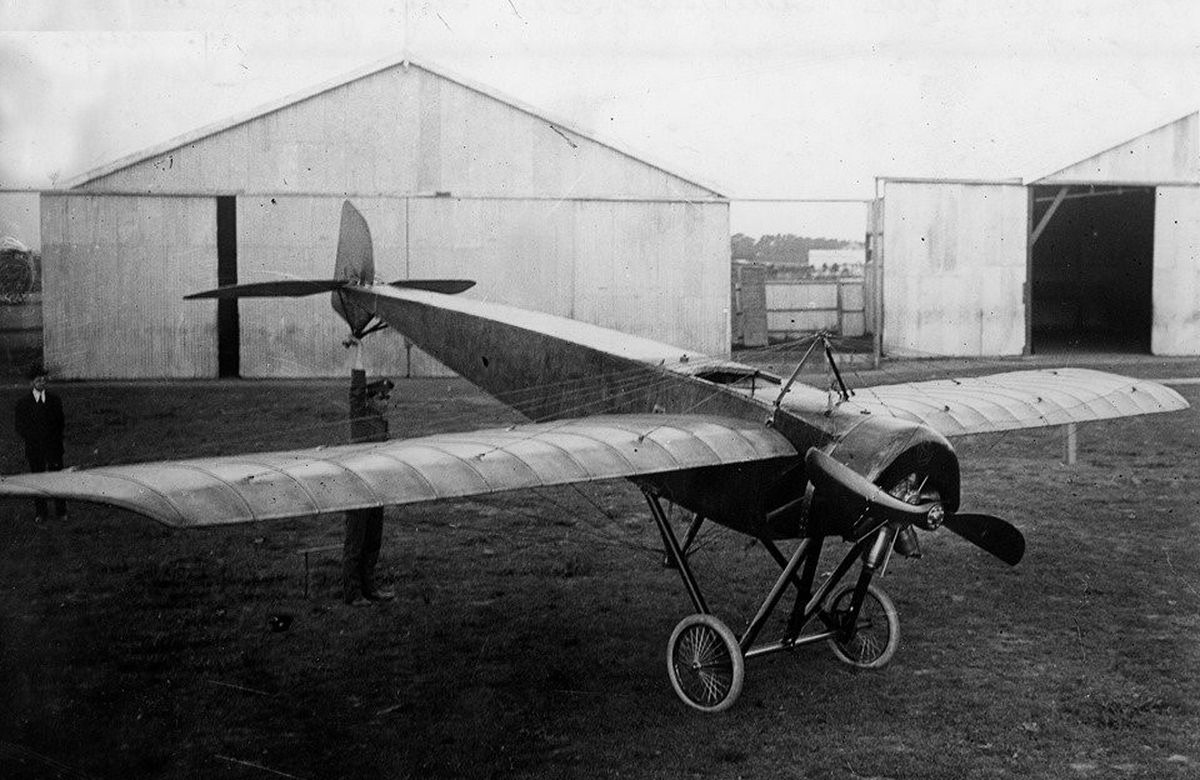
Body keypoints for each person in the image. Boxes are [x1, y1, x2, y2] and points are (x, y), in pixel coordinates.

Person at [343, 367, 395, 606]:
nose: (386, 402)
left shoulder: (382, 424)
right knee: (356, 543)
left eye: (388, 398)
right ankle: (353, 593)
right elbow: (356, 391)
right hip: (357, 489)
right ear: (369, 400)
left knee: (373, 541)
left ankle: (369, 588)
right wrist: (358, 353)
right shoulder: (360, 417)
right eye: (381, 398)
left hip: (377, 489)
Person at [13, 363, 66, 521]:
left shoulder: (54, 401)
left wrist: (54, 440)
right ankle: (41, 512)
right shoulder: (23, 403)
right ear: (32, 383)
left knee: (57, 479)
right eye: (38, 380)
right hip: (35, 448)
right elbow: (20, 427)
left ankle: (61, 511)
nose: (41, 382)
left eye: (44, 379)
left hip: (53, 447)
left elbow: (60, 423)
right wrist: (34, 439)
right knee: (37, 480)